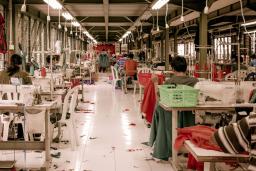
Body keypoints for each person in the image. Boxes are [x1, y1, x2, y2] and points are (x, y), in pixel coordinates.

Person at [148, 56, 198, 161]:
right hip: (190, 118)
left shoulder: (169, 83)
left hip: (171, 118)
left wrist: (156, 83)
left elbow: (159, 100)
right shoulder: (195, 82)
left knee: (157, 110)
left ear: (173, 69)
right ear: (186, 68)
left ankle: (157, 141)